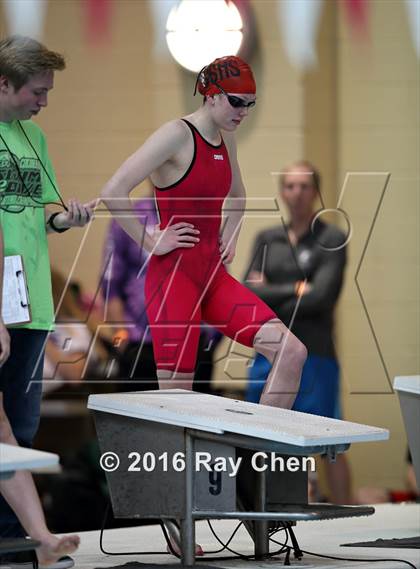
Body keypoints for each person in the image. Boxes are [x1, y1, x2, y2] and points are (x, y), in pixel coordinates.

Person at [100, 55, 307, 410]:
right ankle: (172, 466)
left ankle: (263, 454)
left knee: (291, 351)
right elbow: (113, 190)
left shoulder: (227, 138)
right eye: (236, 102)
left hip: (212, 276)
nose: (243, 112)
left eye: (250, 104)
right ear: (210, 95)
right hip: (173, 280)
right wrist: (151, 240)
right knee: (180, 405)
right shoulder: (175, 135)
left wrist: (232, 234)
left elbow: (238, 196)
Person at [0, 35, 94, 564]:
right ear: (4, 83)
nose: (44, 101)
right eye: (37, 91)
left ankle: (15, 539)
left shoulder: (32, 135)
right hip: (1, 299)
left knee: (22, 422)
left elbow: (42, 209)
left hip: (30, 299)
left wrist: (66, 218)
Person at [244, 160, 352, 504]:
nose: (297, 193)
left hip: (316, 352)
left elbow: (322, 297)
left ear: (316, 191)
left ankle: (346, 511)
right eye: (290, 186)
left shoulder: (331, 238)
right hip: (268, 353)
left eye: (304, 186)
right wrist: (296, 288)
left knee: (327, 437)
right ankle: (267, 505)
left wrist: (273, 291)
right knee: (261, 435)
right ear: (282, 192)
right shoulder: (267, 238)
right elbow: (248, 291)